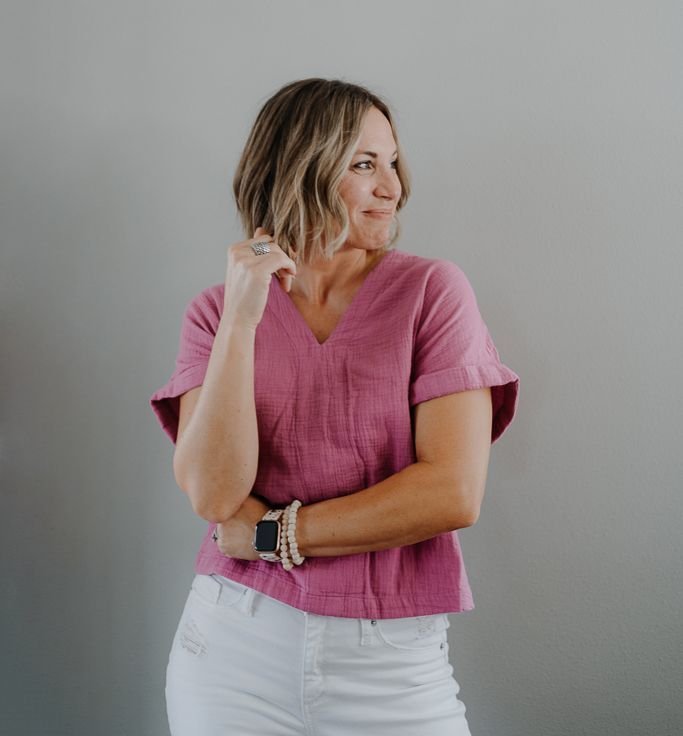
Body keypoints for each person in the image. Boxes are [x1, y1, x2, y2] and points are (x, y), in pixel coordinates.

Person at [149, 77, 520, 736]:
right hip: (233, 649)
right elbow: (212, 494)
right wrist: (240, 319)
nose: (393, 188)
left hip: (390, 664)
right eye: (363, 164)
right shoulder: (215, 312)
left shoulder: (430, 292)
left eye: (392, 163)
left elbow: (450, 492)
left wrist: (271, 534)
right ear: (299, 166)